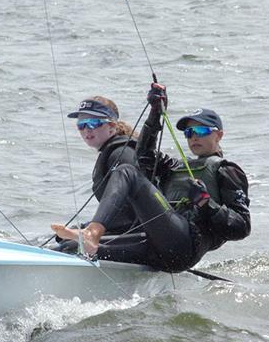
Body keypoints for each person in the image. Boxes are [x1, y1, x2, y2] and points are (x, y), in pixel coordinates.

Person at [51, 84, 250, 272]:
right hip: (155, 246)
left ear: (219, 135)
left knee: (127, 172)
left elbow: (242, 227)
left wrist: (207, 204)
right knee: (71, 247)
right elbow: (143, 154)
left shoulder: (226, 170)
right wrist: (155, 111)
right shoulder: (176, 167)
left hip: (184, 246)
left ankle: (93, 233)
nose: (194, 137)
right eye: (189, 133)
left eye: (201, 130)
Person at [63, 96, 138, 235]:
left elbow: (130, 215)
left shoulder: (122, 154)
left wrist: (90, 230)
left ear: (112, 126)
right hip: (122, 229)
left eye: (93, 123)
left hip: (140, 233)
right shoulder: (109, 153)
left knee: (68, 246)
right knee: (59, 238)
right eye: (81, 124)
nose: (86, 130)